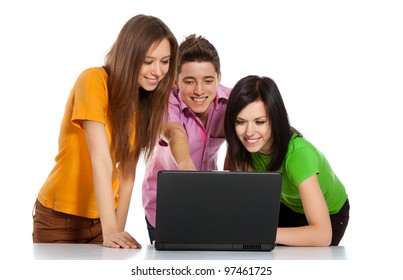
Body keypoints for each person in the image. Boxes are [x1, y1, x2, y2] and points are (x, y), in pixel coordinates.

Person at [32, 14, 178, 249]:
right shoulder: (93, 80)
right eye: (148, 61)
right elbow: (100, 159)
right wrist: (110, 231)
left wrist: (114, 233)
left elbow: (127, 176)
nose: (158, 71)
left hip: (103, 220)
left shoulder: (145, 102)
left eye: (165, 61)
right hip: (59, 220)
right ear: (129, 56)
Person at [224, 75, 349, 246]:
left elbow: (322, 235)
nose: (249, 132)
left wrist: (261, 232)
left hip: (328, 216)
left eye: (259, 122)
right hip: (287, 206)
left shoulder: (299, 154)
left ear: (275, 119)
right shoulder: (241, 146)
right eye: (240, 122)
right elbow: (236, 198)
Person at [142, 34, 231, 243]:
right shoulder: (164, 102)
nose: (199, 91)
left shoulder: (232, 102)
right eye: (189, 82)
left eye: (208, 81)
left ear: (219, 78)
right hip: (163, 207)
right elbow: (175, 133)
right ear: (175, 80)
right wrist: (187, 168)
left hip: (209, 203)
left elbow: (259, 124)